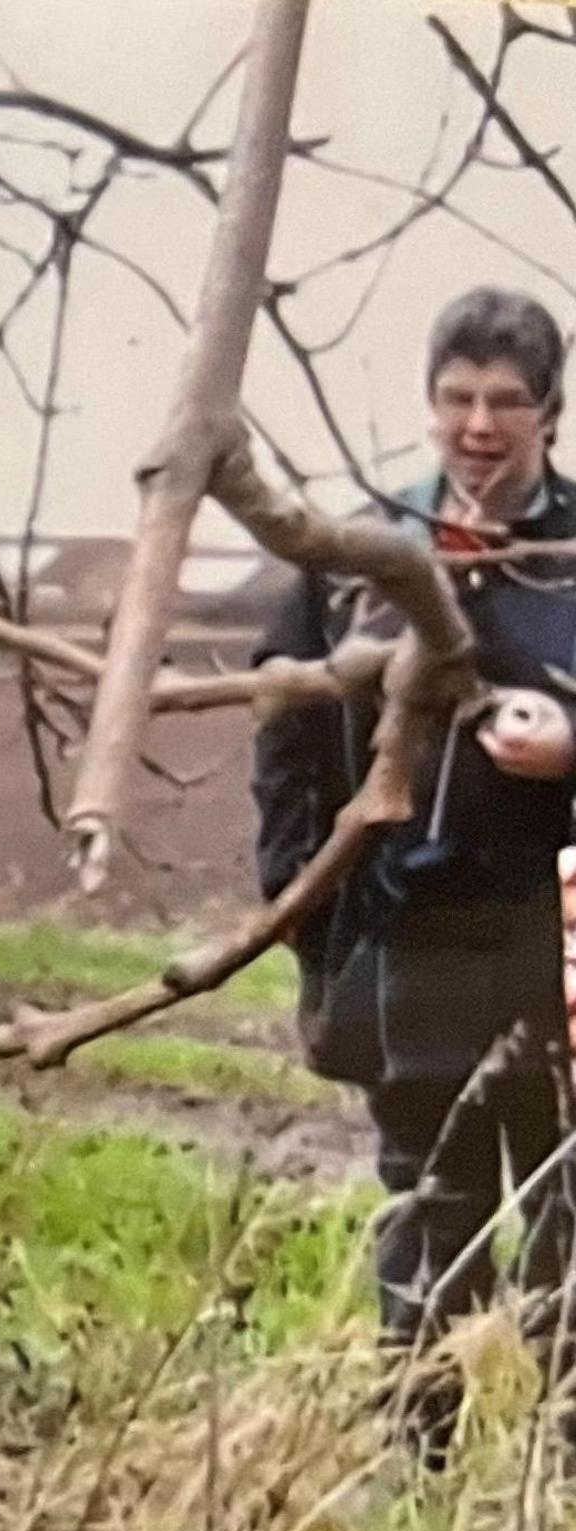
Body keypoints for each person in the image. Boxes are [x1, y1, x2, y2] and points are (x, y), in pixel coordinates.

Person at [255, 285, 576, 1463]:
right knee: (427, 1203)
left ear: (549, 409)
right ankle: (419, 1463)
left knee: (567, 1214)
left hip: (557, 941)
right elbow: (282, 728)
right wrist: (302, 895)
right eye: (457, 399)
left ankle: (556, 1494)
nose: (479, 425)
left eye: (506, 401)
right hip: (409, 933)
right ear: (431, 407)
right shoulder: (358, 557)